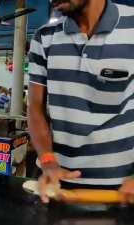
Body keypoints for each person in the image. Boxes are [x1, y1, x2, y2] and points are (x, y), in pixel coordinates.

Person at [28, 0, 134, 203]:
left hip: (123, 188)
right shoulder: (44, 37)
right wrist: (48, 160)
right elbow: (35, 110)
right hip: (57, 183)